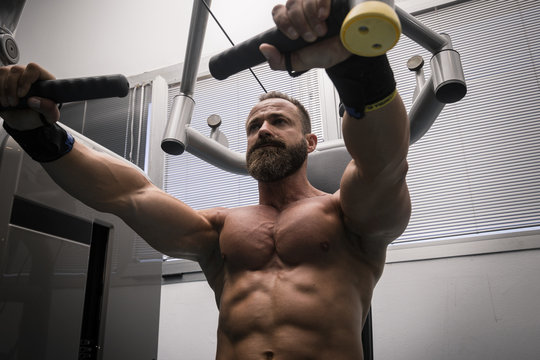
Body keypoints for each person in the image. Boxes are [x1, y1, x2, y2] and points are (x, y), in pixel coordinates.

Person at [0, 0, 410, 358]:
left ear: (310, 140)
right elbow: (126, 194)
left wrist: (356, 65)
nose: (262, 130)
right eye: (253, 126)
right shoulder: (219, 230)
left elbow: (384, 163)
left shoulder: (347, 217)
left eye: (278, 121)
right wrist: (34, 132)